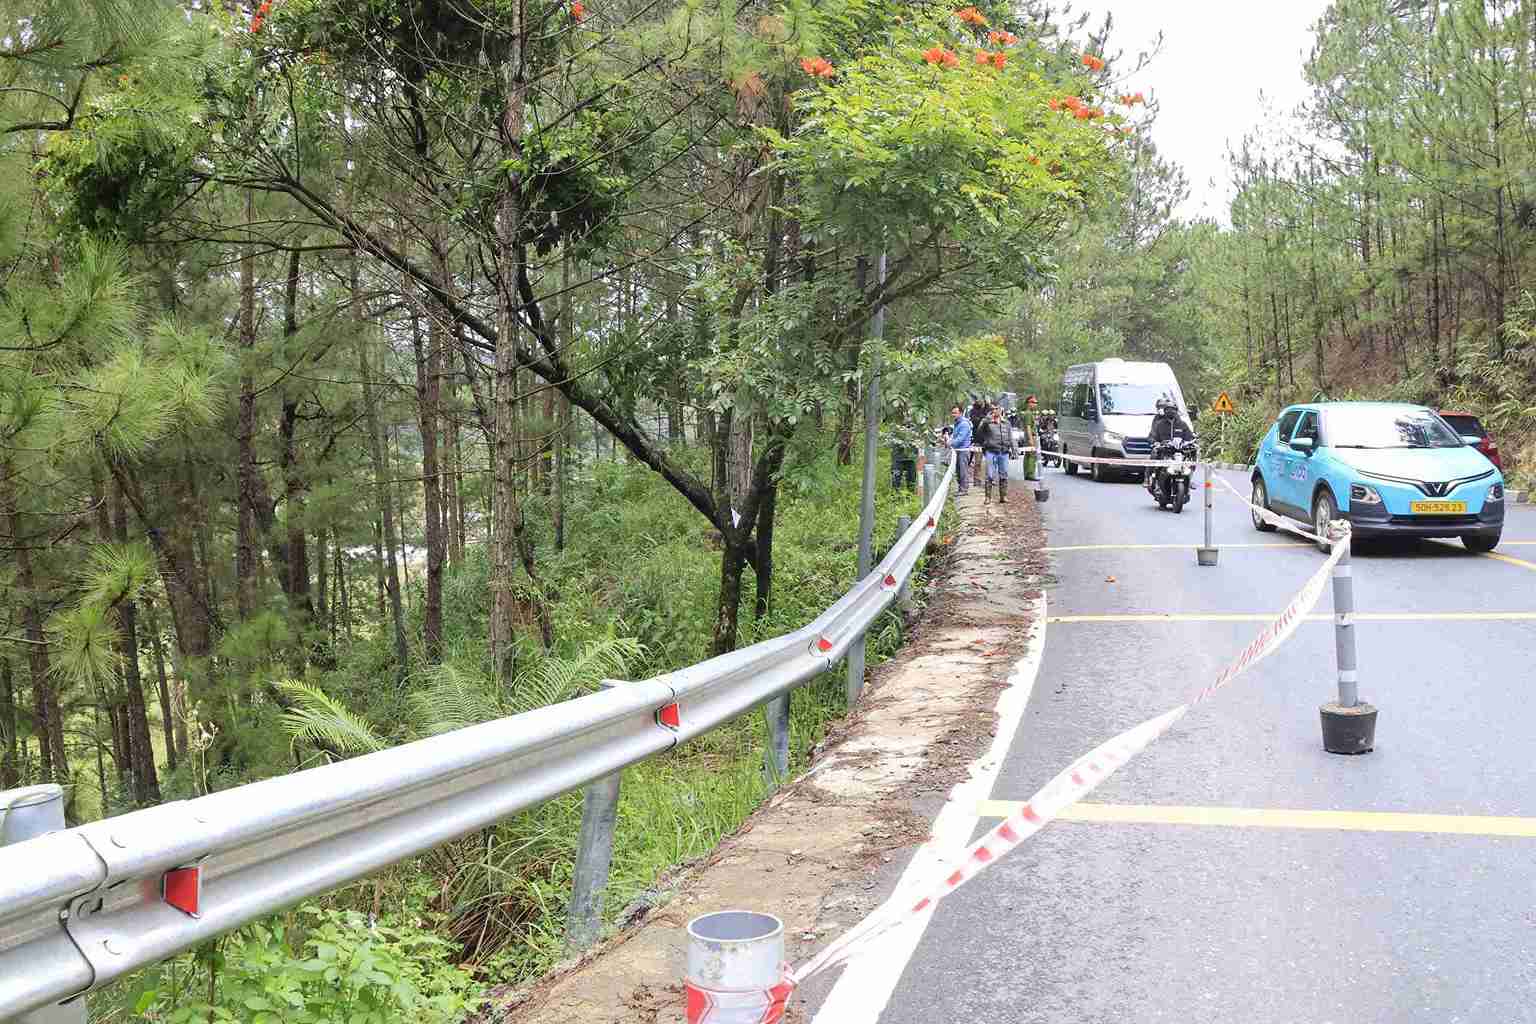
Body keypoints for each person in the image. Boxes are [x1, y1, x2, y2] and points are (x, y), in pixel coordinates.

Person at [976, 405, 1018, 503]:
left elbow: (1011, 437)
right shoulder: (987, 422)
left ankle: (1003, 496)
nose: (995, 411)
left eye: (997, 409)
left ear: (1001, 410)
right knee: (989, 475)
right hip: (991, 451)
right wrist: (985, 421)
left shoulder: (1006, 423)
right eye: (993, 409)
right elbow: (979, 433)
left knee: (1004, 474)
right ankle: (988, 497)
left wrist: (1014, 449)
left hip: (1004, 452)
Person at [948, 405, 972, 495]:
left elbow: (960, 438)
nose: (953, 415)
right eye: (952, 413)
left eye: (955, 413)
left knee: (963, 470)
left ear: (961, 413)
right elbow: (955, 436)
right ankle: (961, 488)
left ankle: (964, 489)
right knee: (958, 470)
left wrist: (950, 443)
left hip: (963, 450)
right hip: (957, 450)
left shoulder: (964, 424)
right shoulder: (957, 423)